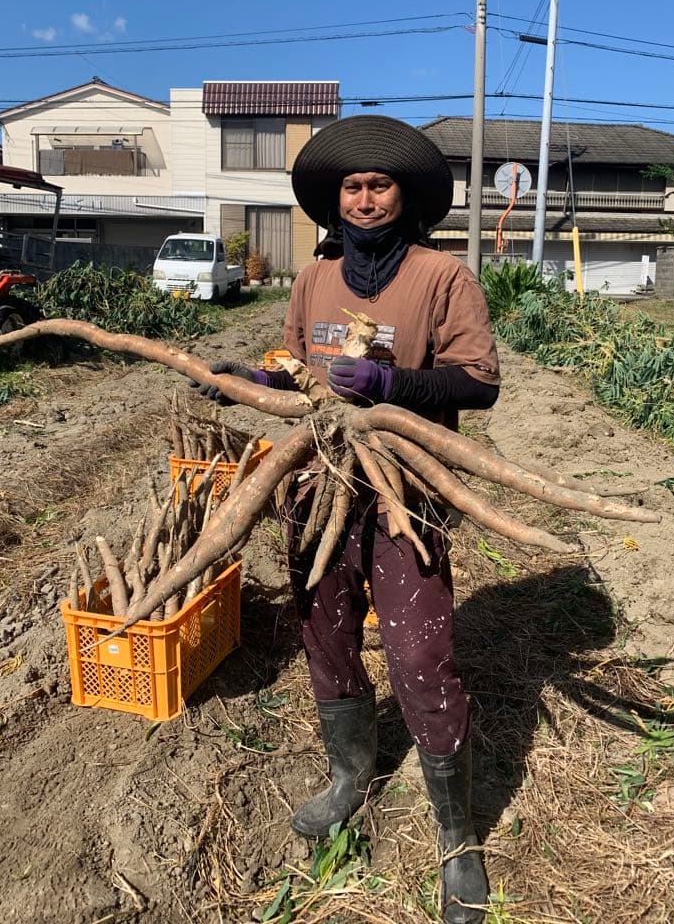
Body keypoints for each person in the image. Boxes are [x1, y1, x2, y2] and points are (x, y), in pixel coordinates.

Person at [200, 115, 500, 924]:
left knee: (420, 656)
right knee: (324, 636)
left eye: (380, 186)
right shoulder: (313, 277)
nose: (366, 199)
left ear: (406, 197)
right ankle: (348, 778)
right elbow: (297, 369)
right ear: (336, 202)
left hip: (406, 489)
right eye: (353, 188)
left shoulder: (443, 278)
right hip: (320, 487)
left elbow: (478, 383)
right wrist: (245, 376)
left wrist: (392, 382)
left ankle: (456, 837)